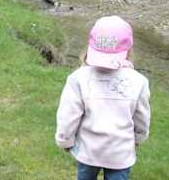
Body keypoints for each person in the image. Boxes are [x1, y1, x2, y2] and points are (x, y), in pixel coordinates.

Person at [55, 16, 150, 180]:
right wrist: (138, 138)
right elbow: (142, 117)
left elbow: (68, 114)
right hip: (121, 153)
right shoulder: (138, 81)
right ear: (128, 50)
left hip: (88, 151)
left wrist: (65, 139)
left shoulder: (78, 78)